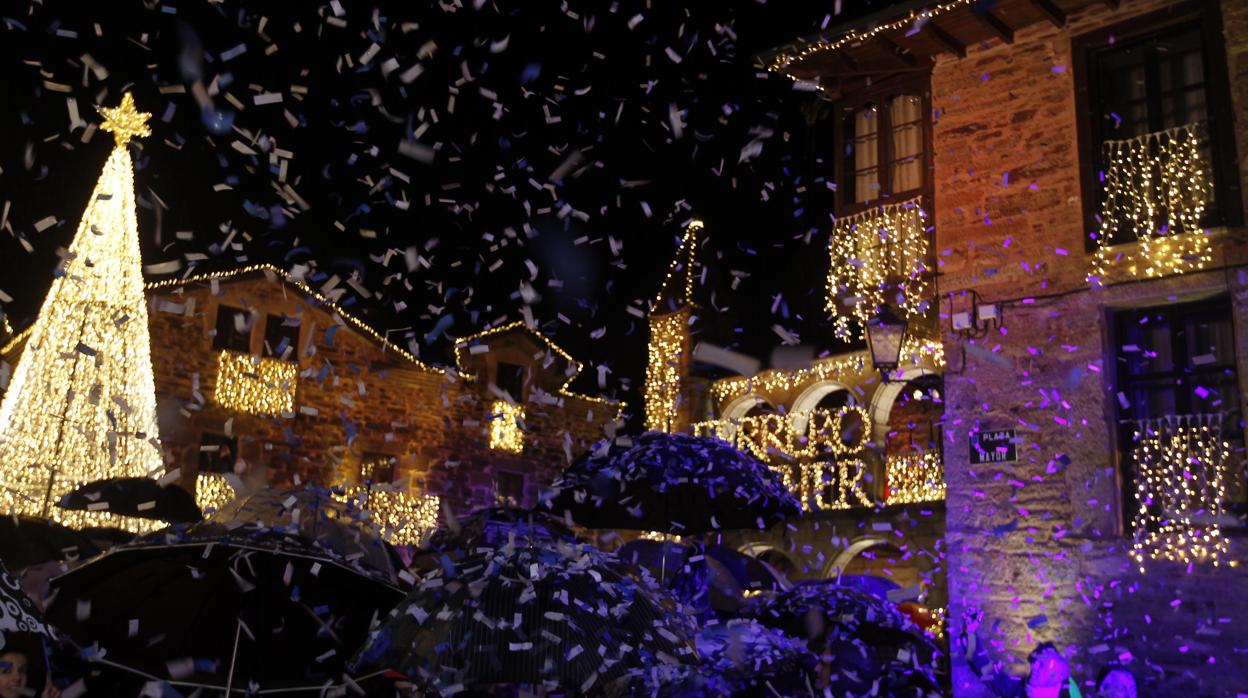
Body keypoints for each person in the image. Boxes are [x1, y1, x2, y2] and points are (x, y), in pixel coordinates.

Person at [961, 615, 1081, 698]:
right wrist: (971, 634)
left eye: (1041, 665)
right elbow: (990, 674)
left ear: (1054, 676)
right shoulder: (1019, 691)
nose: (1034, 666)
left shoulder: (1068, 692)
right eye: (1036, 661)